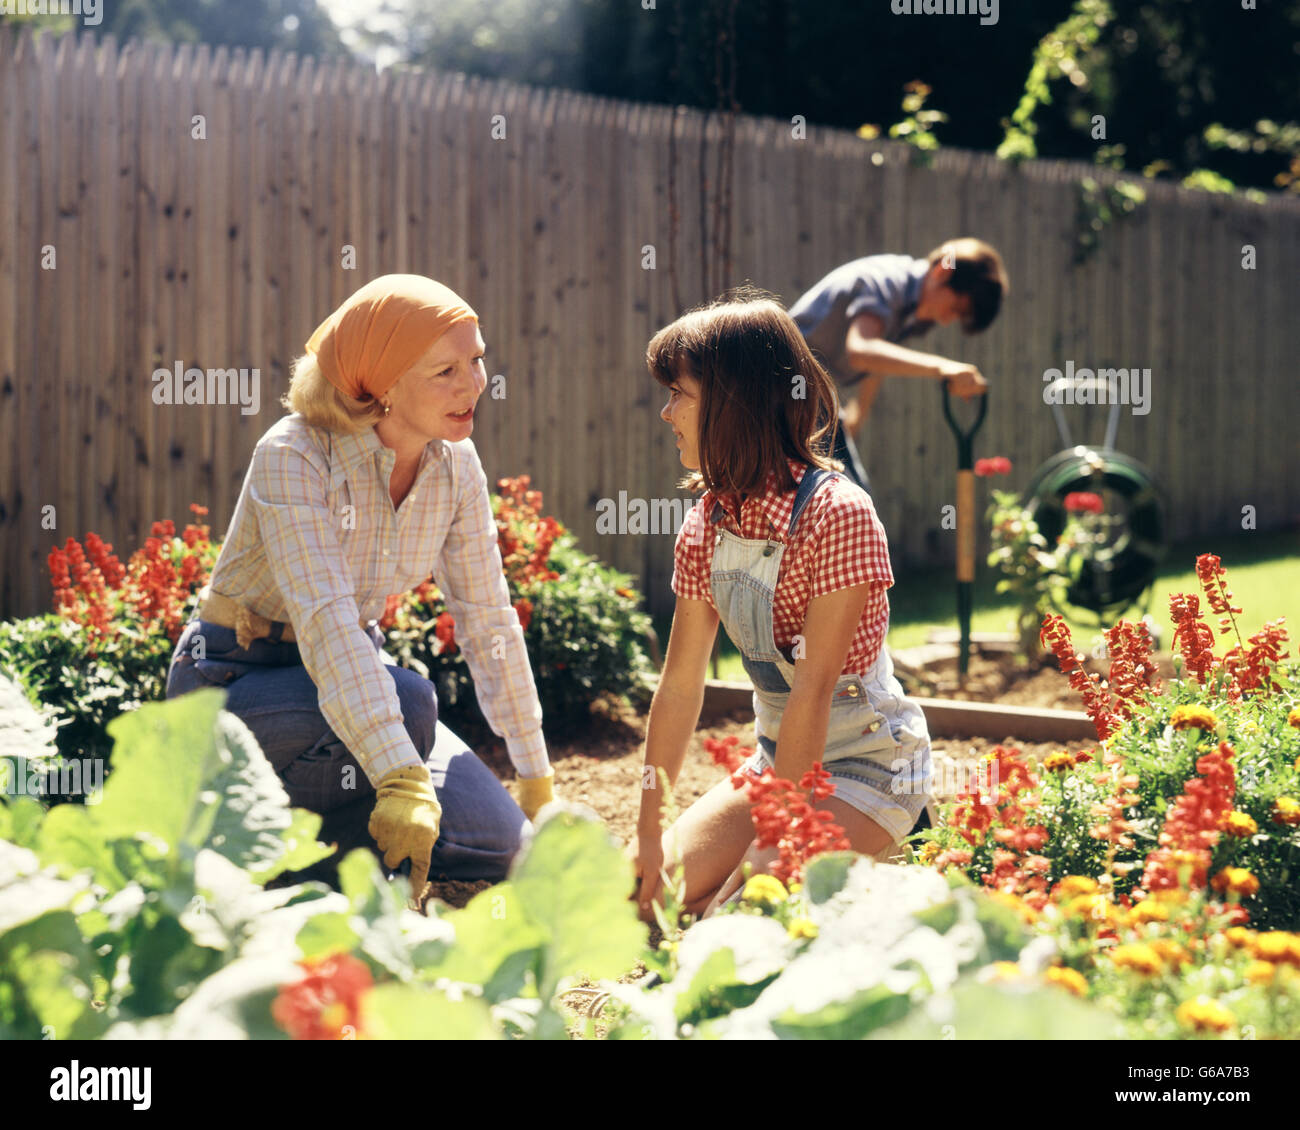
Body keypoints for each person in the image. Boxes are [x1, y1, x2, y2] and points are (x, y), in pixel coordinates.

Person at [164, 274, 555, 897]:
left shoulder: (456, 466)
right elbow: (328, 625)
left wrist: (535, 774)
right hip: (233, 685)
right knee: (410, 702)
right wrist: (401, 776)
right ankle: (255, 851)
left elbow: (488, 618)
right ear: (383, 383)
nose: (474, 384)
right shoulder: (293, 454)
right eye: (445, 370)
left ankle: (310, 854)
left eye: (477, 360)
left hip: (345, 689)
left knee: (502, 842)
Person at [631, 289, 934, 922]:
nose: (666, 413)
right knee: (641, 902)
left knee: (741, 926)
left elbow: (814, 689)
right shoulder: (708, 519)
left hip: (870, 763)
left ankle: (893, 844)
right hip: (781, 763)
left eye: (679, 394)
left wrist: (776, 845)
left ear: (732, 403)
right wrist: (649, 833)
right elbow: (681, 685)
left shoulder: (838, 514)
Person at [788, 237, 1009, 494]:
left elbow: (877, 360)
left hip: (812, 398)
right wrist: (943, 367)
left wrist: (860, 412)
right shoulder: (884, 283)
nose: (948, 321)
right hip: (778, 384)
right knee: (845, 497)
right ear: (942, 271)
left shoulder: (914, 310)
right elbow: (862, 350)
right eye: (955, 308)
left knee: (852, 495)